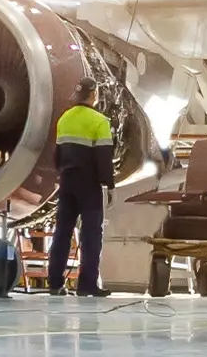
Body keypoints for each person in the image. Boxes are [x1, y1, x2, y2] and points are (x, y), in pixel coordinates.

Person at [48, 81, 116, 296]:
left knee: (62, 233)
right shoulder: (99, 121)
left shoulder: (64, 119)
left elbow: (57, 156)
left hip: (67, 181)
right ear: (93, 94)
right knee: (91, 235)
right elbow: (103, 157)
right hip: (89, 184)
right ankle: (86, 285)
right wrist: (109, 184)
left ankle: (55, 282)